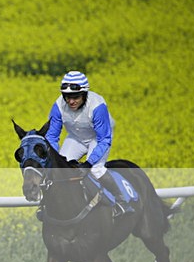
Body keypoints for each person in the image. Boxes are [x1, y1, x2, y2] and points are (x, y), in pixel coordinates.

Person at [46, 71, 133, 215]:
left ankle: (122, 200)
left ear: (85, 94)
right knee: (60, 170)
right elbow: (51, 137)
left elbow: (104, 139)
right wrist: (54, 159)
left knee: (96, 169)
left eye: (75, 97)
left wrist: (89, 162)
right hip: (75, 137)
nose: (71, 101)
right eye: (67, 97)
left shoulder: (97, 106)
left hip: (98, 138)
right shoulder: (58, 106)